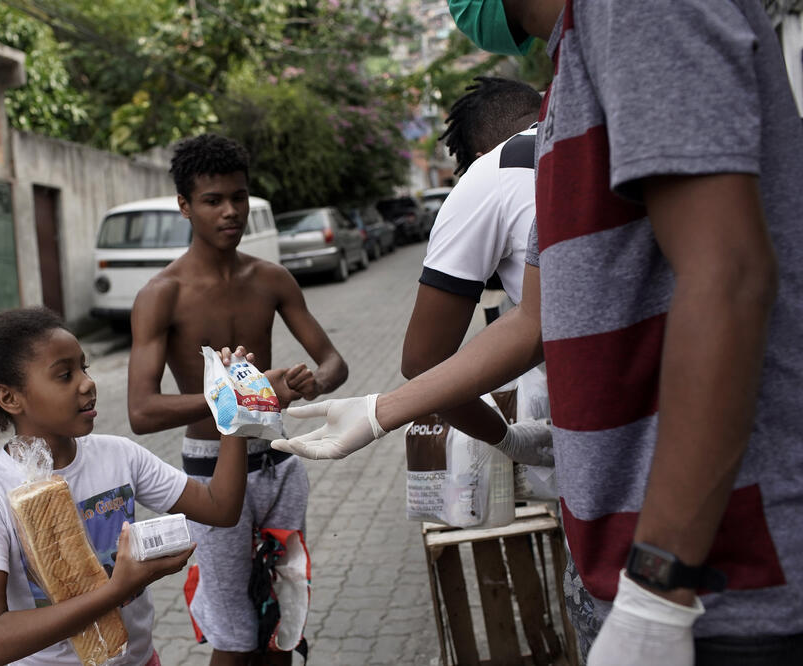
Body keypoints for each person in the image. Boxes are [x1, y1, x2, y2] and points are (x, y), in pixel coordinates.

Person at [275, 1, 803, 664]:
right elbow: (535, 320)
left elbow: (728, 276)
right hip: (624, 554)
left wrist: (657, 592)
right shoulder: (564, 90)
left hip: (719, 579)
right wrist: (380, 412)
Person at [0, 307, 253, 666]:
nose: (87, 383)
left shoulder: (119, 455)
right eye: (64, 375)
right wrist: (117, 589)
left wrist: (234, 409)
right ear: (10, 398)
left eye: (84, 368)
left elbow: (220, 508)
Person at [127, 133, 347, 665]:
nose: (230, 211)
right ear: (185, 206)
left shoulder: (270, 278)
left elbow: (334, 363)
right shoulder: (163, 293)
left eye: (239, 197)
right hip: (208, 475)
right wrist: (240, 398)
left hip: (279, 465)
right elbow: (142, 411)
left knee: (281, 615)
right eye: (212, 200)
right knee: (233, 633)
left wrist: (312, 381)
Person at [402, 75, 551, 461]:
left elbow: (422, 364)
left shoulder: (494, 170)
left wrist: (508, 439)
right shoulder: (598, 130)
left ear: (479, 158)